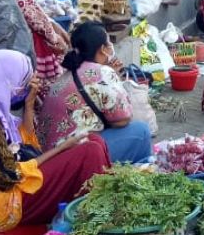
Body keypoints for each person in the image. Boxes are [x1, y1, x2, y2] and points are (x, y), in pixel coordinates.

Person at [0, 50, 111, 230]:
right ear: (7, 80)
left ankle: (101, 215)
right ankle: (99, 227)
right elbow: (10, 174)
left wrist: (29, 104)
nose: (23, 88)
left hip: (7, 189)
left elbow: (25, 148)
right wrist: (62, 148)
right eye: (22, 82)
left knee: (94, 140)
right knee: (89, 153)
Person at [37, 22, 154, 163]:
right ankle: (141, 170)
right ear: (102, 49)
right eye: (108, 43)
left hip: (50, 156)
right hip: (74, 157)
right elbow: (123, 119)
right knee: (141, 131)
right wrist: (115, 79)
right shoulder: (102, 72)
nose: (111, 47)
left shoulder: (65, 75)